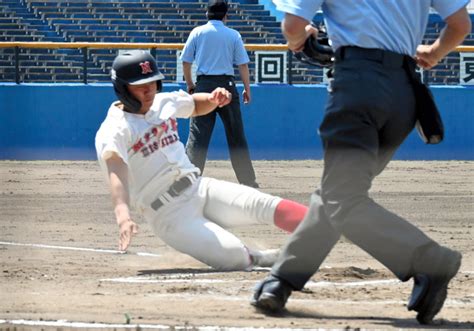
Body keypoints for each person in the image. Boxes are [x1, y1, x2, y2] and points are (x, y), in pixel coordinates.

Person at [251, 0, 471, 325]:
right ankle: (281, 282)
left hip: (358, 86)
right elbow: (460, 25)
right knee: (338, 191)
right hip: (404, 95)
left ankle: (429, 259)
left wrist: (300, 40)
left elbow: (293, 26)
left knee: (342, 197)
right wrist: (436, 53)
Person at [95, 50, 308, 271]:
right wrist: (122, 215)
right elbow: (115, 171)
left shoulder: (163, 102)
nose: (149, 90)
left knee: (264, 204)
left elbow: (195, 105)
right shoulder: (115, 129)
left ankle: (321, 228)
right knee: (233, 256)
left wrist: (212, 99)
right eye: (140, 85)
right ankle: (256, 257)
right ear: (123, 88)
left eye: (152, 82)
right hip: (169, 214)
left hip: (200, 188)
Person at [180, 0, 259, 188]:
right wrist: (247, 89)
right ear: (226, 16)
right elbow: (242, 65)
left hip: (204, 84)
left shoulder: (197, 32)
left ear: (207, 14)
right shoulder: (233, 34)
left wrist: (191, 85)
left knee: (198, 136)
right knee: (236, 135)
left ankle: (189, 180)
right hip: (227, 86)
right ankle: (248, 182)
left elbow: (186, 61)